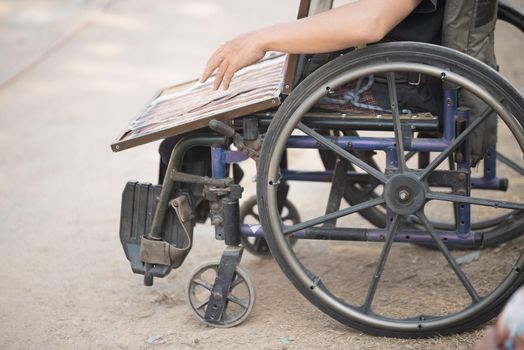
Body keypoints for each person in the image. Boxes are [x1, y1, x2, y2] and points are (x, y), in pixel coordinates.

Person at [200, 0, 443, 90]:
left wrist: (262, 38)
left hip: (397, 79)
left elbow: (371, 21)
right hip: (390, 67)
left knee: (194, 133)